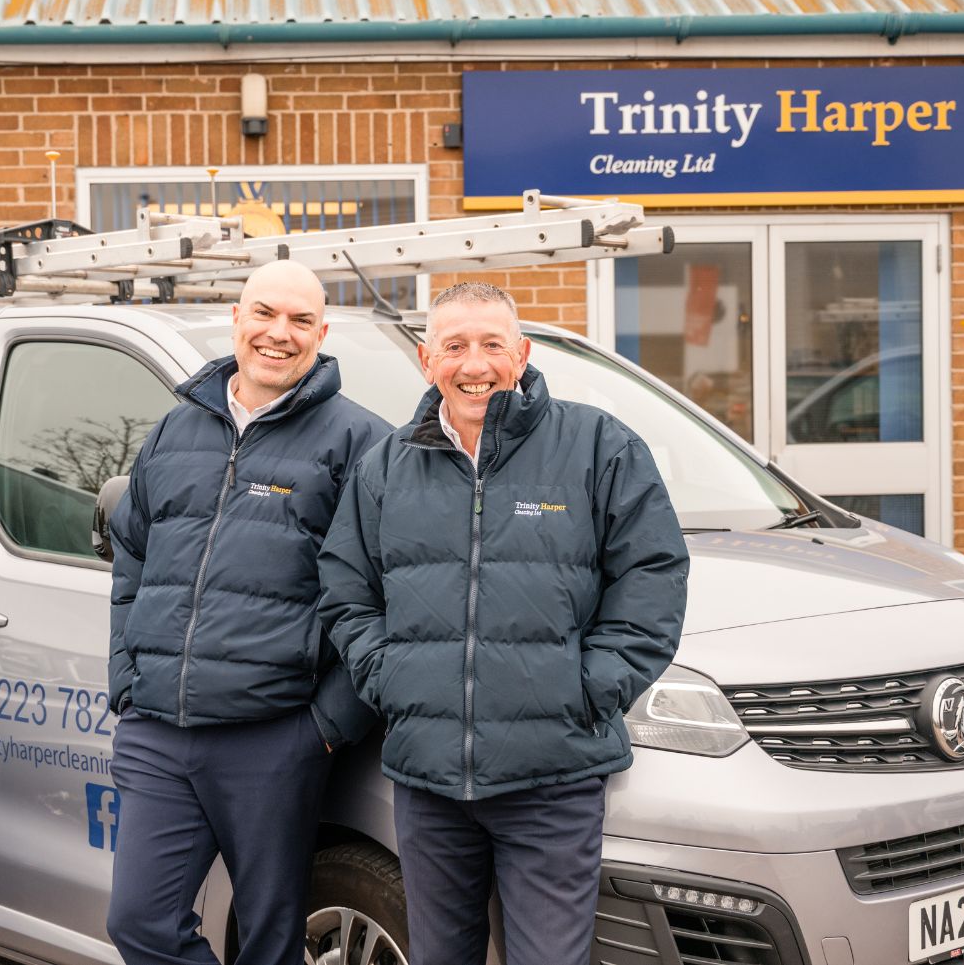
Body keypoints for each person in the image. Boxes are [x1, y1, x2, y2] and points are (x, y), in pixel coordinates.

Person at [318, 282, 688, 965]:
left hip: (552, 780)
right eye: (455, 346)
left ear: (520, 354)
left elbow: (653, 574)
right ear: (428, 359)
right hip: (429, 784)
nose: (474, 363)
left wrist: (586, 687)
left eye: (491, 344)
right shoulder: (385, 469)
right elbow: (345, 588)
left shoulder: (596, 446)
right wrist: (390, 677)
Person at [106, 260, 390, 965]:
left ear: (321, 334)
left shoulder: (361, 442)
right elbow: (132, 558)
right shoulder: (175, 431)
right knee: (138, 922)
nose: (278, 333)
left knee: (270, 940)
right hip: (159, 730)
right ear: (237, 317)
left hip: (274, 736)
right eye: (265, 313)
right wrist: (126, 677)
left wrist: (326, 724)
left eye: (299, 320)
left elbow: (390, 595)